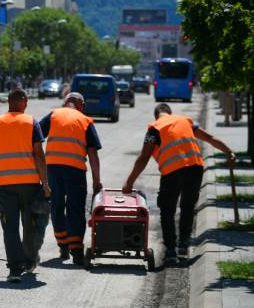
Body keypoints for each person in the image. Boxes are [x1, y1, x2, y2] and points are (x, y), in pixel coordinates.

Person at [122, 103, 234, 265]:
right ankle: (183, 245)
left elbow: (144, 157)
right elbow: (210, 138)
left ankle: (170, 251)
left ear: (157, 115)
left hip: (172, 171)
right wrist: (228, 151)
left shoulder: (154, 128)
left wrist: (129, 182)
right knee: (188, 207)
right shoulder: (185, 121)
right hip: (195, 167)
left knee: (167, 210)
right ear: (170, 112)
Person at [0, 88, 52, 283]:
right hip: (29, 184)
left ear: (9, 102)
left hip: (4, 186)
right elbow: (39, 154)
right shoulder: (31, 122)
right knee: (30, 225)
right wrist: (45, 183)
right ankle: (29, 261)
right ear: (24, 101)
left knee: (10, 227)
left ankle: (15, 269)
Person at [39, 92, 103, 265]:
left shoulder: (53, 115)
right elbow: (93, 154)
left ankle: (63, 245)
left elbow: (35, 139)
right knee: (75, 209)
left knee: (57, 206)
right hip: (75, 171)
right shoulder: (85, 120)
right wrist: (97, 181)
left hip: (52, 170)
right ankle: (76, 251)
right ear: (80, 104)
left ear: (65, 102)